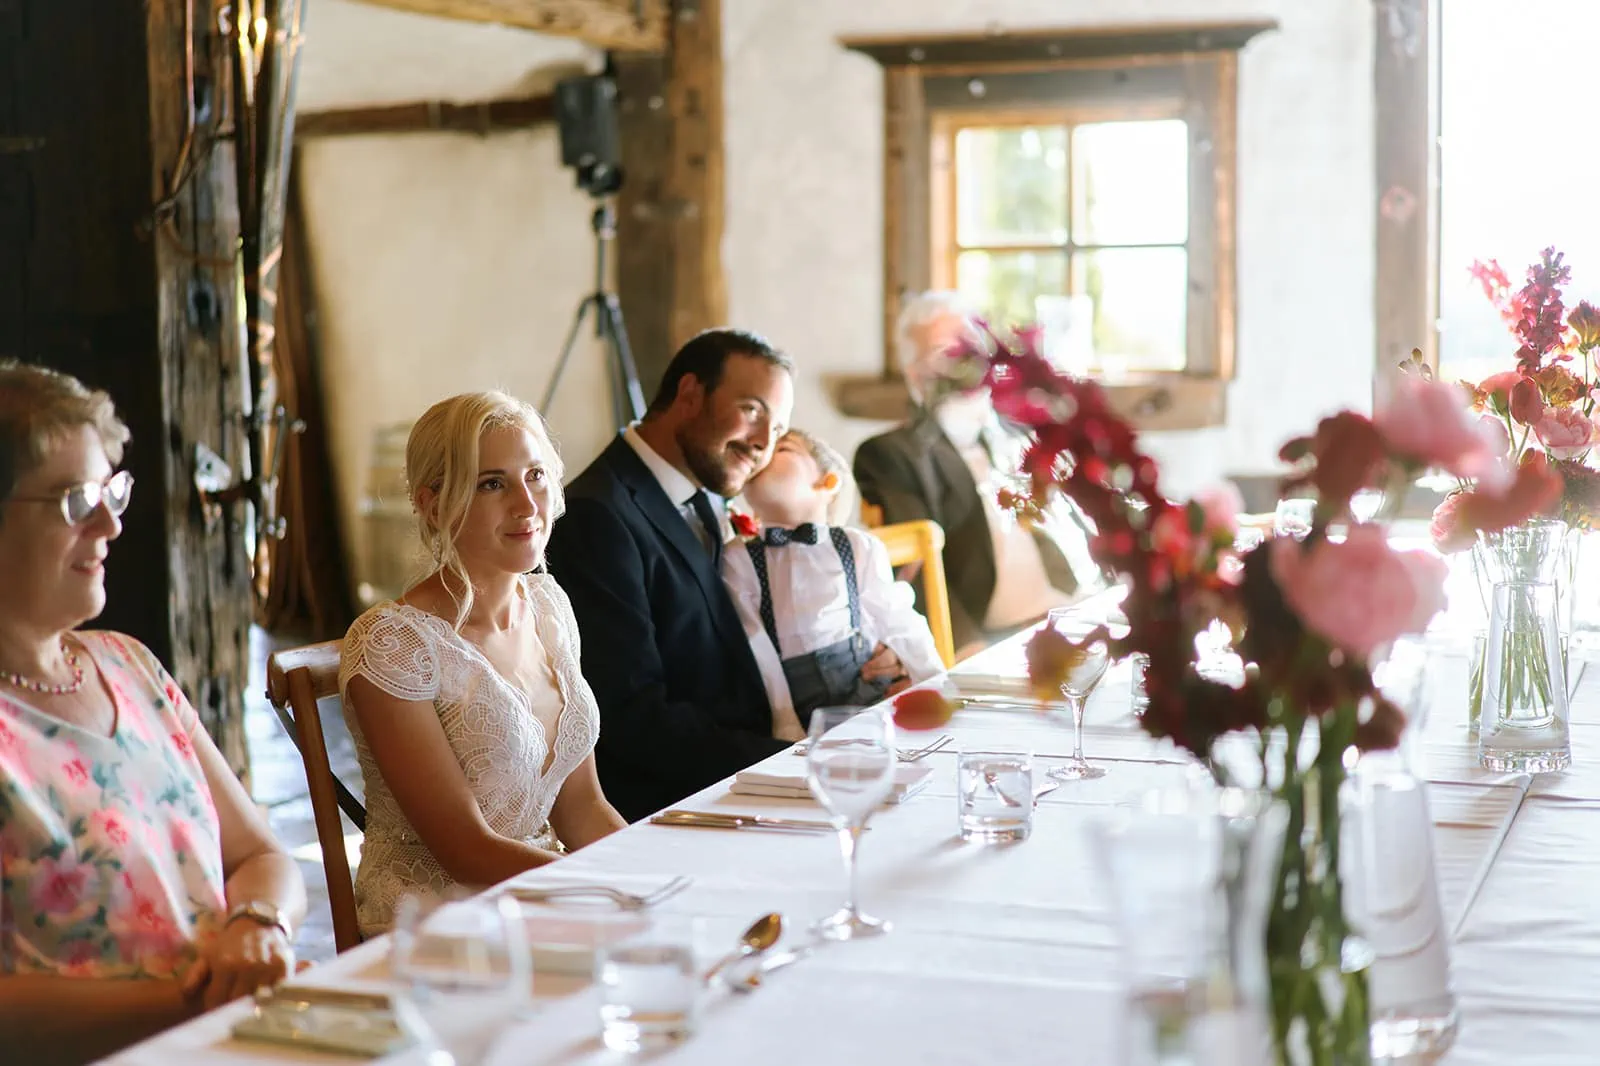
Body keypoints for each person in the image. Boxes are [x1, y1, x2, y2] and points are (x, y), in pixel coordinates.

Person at [0, 361, 307, 1065]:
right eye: (76, 500)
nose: (110, 523)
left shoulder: (130, 667)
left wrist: (258, 926)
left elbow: (261, 856)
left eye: (111, 491)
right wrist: (200, 1003)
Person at [546, 329, 908, 822]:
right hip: (680, 807)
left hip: (762, 770)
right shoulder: (598, 516)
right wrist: (794, 762)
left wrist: (867, 657)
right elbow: (633, 720)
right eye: (754, 410)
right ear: (690, 394)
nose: (762, 443)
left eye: (778, 430)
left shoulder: (709, 493)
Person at [338, 392, 625, 937]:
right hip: (433, 931)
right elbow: (464, 851)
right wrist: (604, 891)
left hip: (540, 900)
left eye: (535, 475)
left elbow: (583, 809)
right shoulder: (394, 644)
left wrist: (651, 874)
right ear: (432, 504)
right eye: (491, 483)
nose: (526, 504)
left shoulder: (548, 608)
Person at [854, 292, 1103, 656]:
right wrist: (966, 653)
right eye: (945, 351)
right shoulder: (892, 454)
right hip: (1004, 643)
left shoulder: (1023, 432)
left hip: (1087, 609)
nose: (963, 362)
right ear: (914, 376)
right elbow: (919, 567)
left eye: (970, 346)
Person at [724, 429, 943, 740]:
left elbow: (898, 619)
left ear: (827, 482)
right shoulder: (739, 557)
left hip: (868, 692)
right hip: (797, 710)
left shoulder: (858, 546)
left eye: (783, 448)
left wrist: (934, 682)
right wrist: (784, 721)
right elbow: (755, 643)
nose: (764, 453)